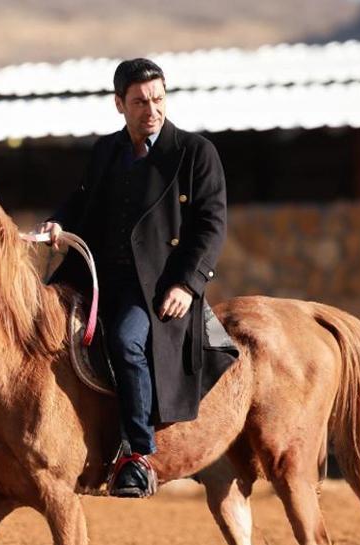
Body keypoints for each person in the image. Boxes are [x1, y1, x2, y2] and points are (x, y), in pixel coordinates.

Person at [40, 58, 238, 498]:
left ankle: (136, 456)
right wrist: (57, 223)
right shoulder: (105, 151)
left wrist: (188, 284)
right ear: (119, 105)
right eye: (140, 101)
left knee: (127, 341)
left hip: (151, 288)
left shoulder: (195, 152)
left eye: (158, 98)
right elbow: (81, 200)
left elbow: (210, 223)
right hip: (93, 277)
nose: (151, 109)